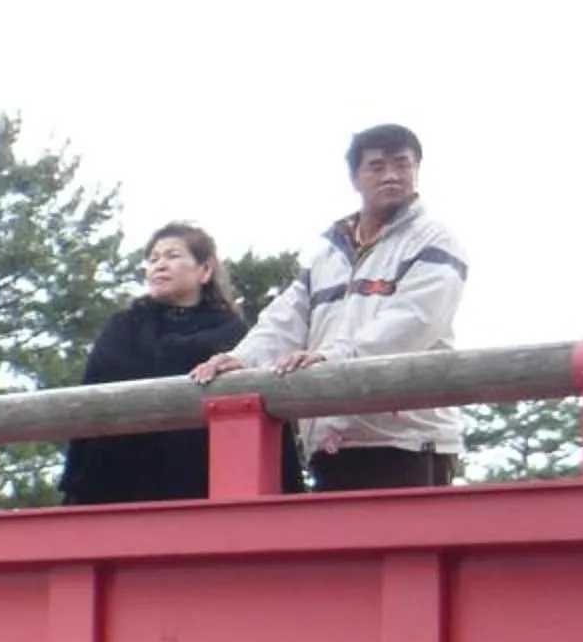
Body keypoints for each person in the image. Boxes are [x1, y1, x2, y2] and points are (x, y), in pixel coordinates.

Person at [188, 123, 466, 488]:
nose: (392, 176)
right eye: (377, 166)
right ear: (355, 178)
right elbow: (286, 318)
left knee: (404, 544)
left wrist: (334, 357)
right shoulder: (327, 253)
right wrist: (243, 359)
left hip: (408, 440)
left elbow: (416, 321)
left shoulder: (435, 239)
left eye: (403, 164)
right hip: (332, 440)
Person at [59, 222, 298, 503]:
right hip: (124, 481)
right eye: (153, 259)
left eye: (172, 256)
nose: (160, 265)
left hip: (205, 483)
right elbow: (96, 391)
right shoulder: (123, 327)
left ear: (204, 270)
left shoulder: (233, 335)